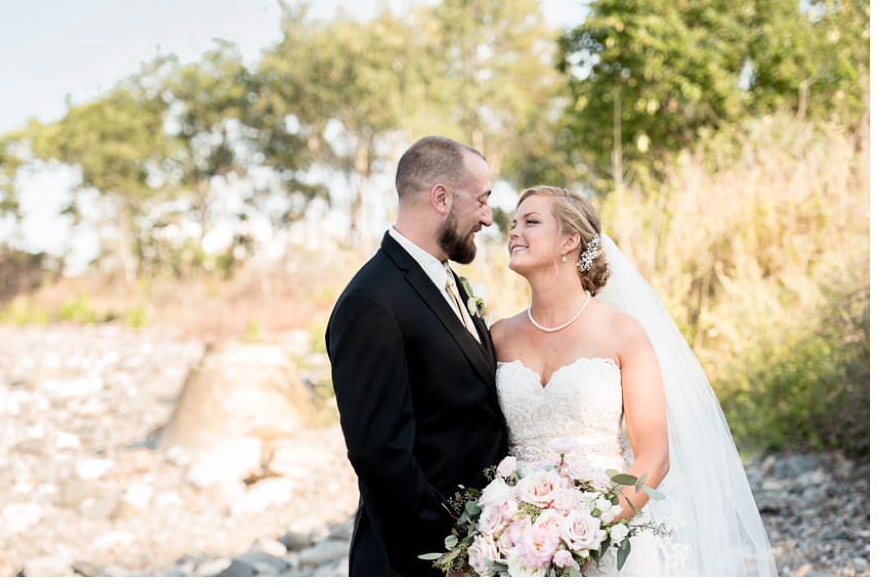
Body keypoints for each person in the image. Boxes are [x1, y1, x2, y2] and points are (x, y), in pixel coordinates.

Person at [490, 186, 775, 575]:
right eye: (513, 223)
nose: (514, 232)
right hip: (521, 543)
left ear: (569, 241)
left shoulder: (623, 333)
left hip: (608, 537)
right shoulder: (499, 336)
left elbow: (654, 458)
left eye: (531, 222)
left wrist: (588, 535)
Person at [326, 136, 509, 576]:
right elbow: (381, 456)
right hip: (419, 560)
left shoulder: (447, 281)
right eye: (482, 201)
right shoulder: (371, 302)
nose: (487, 218)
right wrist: (453, 555)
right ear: (441, 198)